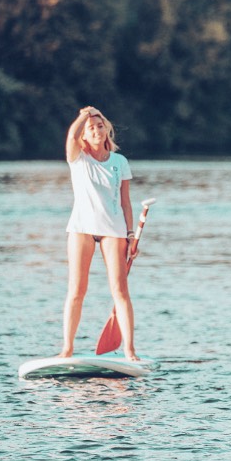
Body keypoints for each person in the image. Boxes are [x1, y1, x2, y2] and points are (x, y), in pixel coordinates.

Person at [61, 106, 139, 360]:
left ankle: (129, 350)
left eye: (100, 125)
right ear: (85, 135)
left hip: (113, 230)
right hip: (81, 228)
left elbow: (126, 202)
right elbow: (71, 137)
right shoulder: (78, 157)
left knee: (120, 291)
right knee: (77, 291)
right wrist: (86, 115)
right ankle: (67, 349)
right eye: (91, 128)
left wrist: (131, 236)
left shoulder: (120, 162)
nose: (96, 130)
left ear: (107, 130)